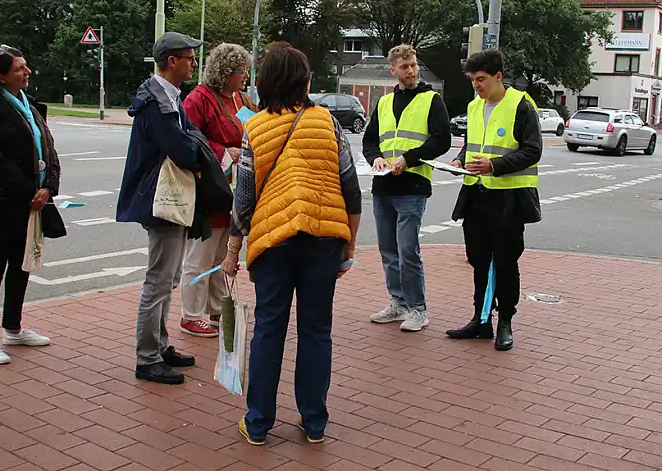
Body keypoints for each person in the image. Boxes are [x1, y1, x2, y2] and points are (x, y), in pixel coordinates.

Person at [222, 45, 362, 446]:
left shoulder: (256, 128)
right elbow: (350, 187)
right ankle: (314, 421)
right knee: (317, 329)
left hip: (273, 240)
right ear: (304, 81)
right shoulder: (328, 123)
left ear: (265, 82)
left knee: (269, 328)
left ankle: (259, 421)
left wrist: (233, 252)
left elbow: (244, 199)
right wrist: (348, 243)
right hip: (323, 237)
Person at [116, 32, 203, 385]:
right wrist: (203, 153)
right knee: (159, 280)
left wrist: (197, 145)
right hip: (162, 200)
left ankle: (160, 346)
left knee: (169, 278)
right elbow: (183, 147)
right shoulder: (157, 102)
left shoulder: (166, 96)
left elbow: (189, 137)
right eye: (188, 57)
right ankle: (147, 356)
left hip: (167, 198)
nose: (193, 63)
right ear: (171, 61)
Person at [0, 45, 63, 364]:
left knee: (22, 264)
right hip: (0, 203)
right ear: (0, 76)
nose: (28, 71)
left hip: (31, 201)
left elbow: (47, 148)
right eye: (20, 68)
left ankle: (12, 327)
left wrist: (49, 186)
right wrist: (28, 191)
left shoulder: (29, 104)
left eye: (26, 65)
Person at [446, 49, 542, 351]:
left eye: (482, 79)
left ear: (499, 76)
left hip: (509, 198)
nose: (476, 86)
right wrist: (460, 160)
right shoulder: (475, 106)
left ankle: (505, 322)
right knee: (478, 260)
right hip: (476, 193)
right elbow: (472, 144)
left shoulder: (521, 105)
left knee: (505, 261)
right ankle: (481, 319)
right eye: (473, 80)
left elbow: (532, 150)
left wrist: (495, 166)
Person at [362, 44, 451, 332]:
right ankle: (398, 302)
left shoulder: (431, 100)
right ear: (393, 71)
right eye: (404, 67)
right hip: (384, 186)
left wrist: (408, 158)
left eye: (413, 65)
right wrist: (375, 158)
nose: (411, 71)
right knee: (388, 250)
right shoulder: (385, 103)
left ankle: (417, 309)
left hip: (413, 186)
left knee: (408, 250)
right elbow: (369, 140)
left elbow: (442, 140)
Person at [179, 43, 255, 338]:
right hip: (208, 191)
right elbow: (187, 140)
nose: (245, 77)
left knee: (221, 254)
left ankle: (214, 309)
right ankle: (190, 314)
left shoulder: (241, 99)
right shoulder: (198, 100)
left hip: (234, 192)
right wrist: (225, 151)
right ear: (225, 73)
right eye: (241, 72)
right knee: (199, 255)